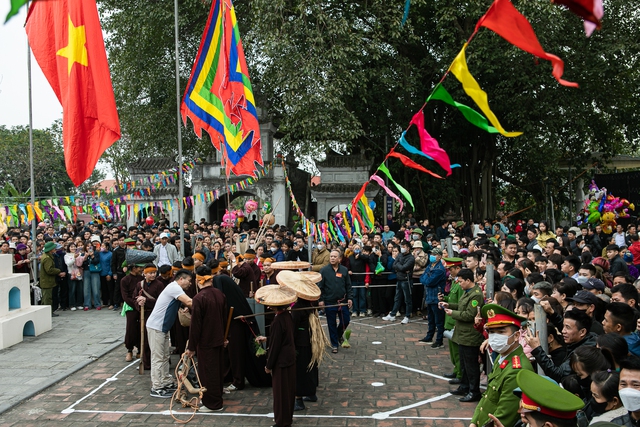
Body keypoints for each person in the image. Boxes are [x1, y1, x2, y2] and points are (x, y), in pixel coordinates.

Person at [470, 303, 534, 427]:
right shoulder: (502, 356)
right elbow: (487, 396)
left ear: (516, 336)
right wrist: (474, 421)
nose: (494, 336)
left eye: (501, 331)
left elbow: (504, 416)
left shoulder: (517, 370)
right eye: (491, 332)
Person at [146, 270, 193, 398]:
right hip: (156, 326)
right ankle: (157, 386)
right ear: (181, 279)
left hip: (163, 327)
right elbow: (189, 302)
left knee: (165, 356)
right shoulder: (174, 287)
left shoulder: (175, 288)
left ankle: (165, 381)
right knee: (158, 357)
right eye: (189, 280)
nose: (190, 283)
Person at [185, 267, 227, 412]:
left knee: (208, 373)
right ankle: (216, 397)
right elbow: (224, 318)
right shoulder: (220, 294)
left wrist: (191, 347)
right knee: (217, 370)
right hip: (218, 338)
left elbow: (195, 325)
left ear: (198, 280)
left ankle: (213, 403)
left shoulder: (199, 298)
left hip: (206, 341)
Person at [255, 284, 297, 427]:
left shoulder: (278, 320)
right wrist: (267, 338)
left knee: (281, 394)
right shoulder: (287, 316)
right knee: (288, 392)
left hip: (281, 361)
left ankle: (282, 422)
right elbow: (282, 338)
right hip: (289, 358)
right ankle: (287, 419)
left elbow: (275, 347)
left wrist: (268, 365)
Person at [440, 268, 484, 402]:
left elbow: (469, 315)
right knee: (464, 363)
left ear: (468, 280)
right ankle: (464, 386)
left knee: (471, 365)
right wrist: (449, 305)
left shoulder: (476, 295)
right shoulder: (467, 292)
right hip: (462, 334)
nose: (459, 284)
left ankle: (474, 391)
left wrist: (452, 313)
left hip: (470, 335)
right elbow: (461, 306)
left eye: (460, 282)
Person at [317, 249, 353, 353]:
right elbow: (320, 287)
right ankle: (334, 344)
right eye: (331, 256)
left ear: (339, 259)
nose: (332, 258)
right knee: (331, 323)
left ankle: (338, 335)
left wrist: (350, 298)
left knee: (346, 320)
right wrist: (321, 300)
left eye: (334, 256)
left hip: (342, 301)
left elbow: (348, 286)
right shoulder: (324, 270)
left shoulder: (344, 270)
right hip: (329, 301)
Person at [134, 264, 165, 371]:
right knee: (145, 339)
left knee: (155, 339)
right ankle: (146, 362)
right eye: (150, 273)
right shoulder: (140, 284)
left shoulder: (159, 284)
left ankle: (156, 362)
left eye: (154, 272)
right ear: (145, 274)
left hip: (155, 314)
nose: (153, 275)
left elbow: (161, 301)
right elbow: (135, 298)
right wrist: (139, 302)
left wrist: (147, 300)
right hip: (144, 314)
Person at [439, 257, 464, 383]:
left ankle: (460, 374)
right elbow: (452, 300)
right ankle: (456, 370)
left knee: (458, 352)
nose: (449, 271)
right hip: (449, 320)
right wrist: (445, 298)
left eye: (451, 269)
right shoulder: (454, 282)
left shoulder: (460, 285)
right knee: (453, 351)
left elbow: (460, 304)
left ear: (458, 268)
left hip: (455, 321)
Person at [382, 240, 415, 324]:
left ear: (408, 248)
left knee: (407, 299)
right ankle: (392, 314)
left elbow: (404, 267)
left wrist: (399, 267)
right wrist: (400, 267)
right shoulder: (400, 255)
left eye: (404, 247)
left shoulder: (411, 258)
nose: (402, 248)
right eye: (401, 247)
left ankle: (407, 316)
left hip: (406, 280)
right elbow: (394, 265)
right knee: (397, 298)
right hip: (399, 279)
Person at [419, 247, 446, 348]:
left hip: (437, 297)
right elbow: (422, 278)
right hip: (429, 296)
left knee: (438, 320)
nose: (432, 256)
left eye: (434, 254)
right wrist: (426, 278)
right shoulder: (430, 265)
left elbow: (429, 281)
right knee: (430, 319)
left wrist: (426, 278)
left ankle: (439, 340)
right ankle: (429, 336)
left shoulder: (439, 269)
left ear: (439, 257)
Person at [120, 262, 144, 362]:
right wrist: (135, 304)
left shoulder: (142, 279)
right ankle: (129, 350)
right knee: (131, 328)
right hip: (130, 306)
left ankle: (140, 349)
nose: (141, 270)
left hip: (141, 306)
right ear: (133, 268)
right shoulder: (124, 280)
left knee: (141, 327)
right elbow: (125, 296)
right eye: (139, 267)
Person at [39, 241, 64, 316]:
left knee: (46, 297)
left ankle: (45, 312)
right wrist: (58, 271)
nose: (55, 249)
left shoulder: (46, 256)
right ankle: (48, 313)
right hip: (47, 281)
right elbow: (49, 270)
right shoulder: (47, 258)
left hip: (46, 281)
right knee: (47, 298)